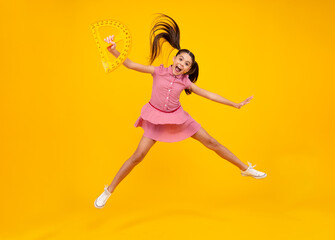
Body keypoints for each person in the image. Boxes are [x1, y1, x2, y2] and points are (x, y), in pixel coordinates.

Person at [94, 14, 267, 209]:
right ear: (174, 58)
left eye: (187, 64)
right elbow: (131, 64)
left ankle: (245, 169)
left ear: (188, 70)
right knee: (138, 156)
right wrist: (114, 50)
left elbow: (210, 95)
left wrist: (235, 104)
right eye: (181, 59)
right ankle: (108, 191)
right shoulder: (157, 71)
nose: (182, 64)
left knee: (212, 142)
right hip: (155, 118)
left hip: (178, 119)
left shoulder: (186, 82)